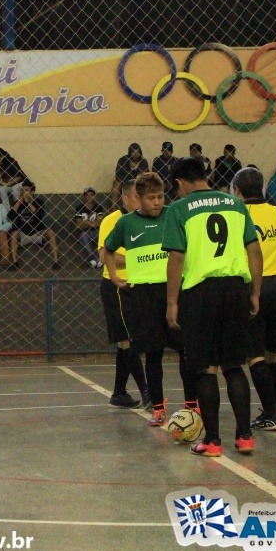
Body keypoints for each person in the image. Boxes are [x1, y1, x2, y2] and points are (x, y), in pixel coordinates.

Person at [163, 157, 263, 457]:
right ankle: (245, 437)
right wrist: (254, 292)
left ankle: (213, 441)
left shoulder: (178, 209)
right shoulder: (236, 204)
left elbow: (176, 258)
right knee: (234, 365)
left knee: (205, 368)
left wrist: (172, 302)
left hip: (201, 291)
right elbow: (255, 250)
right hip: (236, 288)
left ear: (180, 183)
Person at [103, 172, 192, 426]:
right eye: (151, 198)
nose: (157, 202)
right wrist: (114, 276)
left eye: (161, 196)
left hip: (172, 290)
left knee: (185, 349)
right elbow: (107, 250)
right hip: (143, 294)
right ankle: (158, 407)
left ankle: (191, 405)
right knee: (153, 354)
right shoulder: (126, 223)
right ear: (137, 198)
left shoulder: (173, 216)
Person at [231, 167, 276, 430]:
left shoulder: (240, 214)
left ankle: (269, 413)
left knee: (253, 353)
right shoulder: (275, 212)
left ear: (237, 190)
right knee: (273, 352)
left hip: (254, 283)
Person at [97, 180, 148, 409]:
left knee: (125, 342)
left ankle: (119, 392)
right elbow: (103, 254)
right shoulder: (112, 220)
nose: (141, 201)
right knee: (128, 341)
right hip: (116, 285)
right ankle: (148, 392)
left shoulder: (143, 221)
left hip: (139, 285)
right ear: (126, 199)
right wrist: (135, 259)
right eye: (137, 197)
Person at [8, 180, 60, 270]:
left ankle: (55, 262)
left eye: (26, 190)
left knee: (51, 232)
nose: (24, 192)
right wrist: (19, 202)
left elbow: (39, 216)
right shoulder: (18, 203)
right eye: (23, 190)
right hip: (23, 233)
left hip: (37, 233)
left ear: (32, 192)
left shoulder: (39, 202)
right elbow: (10, 216)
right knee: (13, 234)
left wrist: (28, 202)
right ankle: (15, 262)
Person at [74, 187, 106, 269]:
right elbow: (78, 225)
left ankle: (98, 259)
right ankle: (92, 259)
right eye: (87, 195)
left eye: (92, 195)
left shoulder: (98, 207)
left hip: (96, 232)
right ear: (84, 197)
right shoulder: (79, 208)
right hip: (84, 232)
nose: (90, 197)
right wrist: (91, 223)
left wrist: (85, 222)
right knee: (84, 235)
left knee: (105, 235)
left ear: (94, 196)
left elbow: (101, 222)